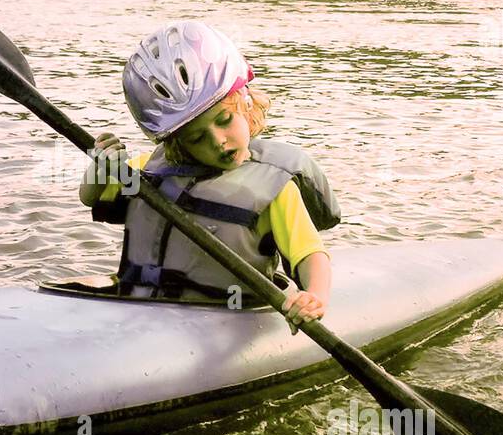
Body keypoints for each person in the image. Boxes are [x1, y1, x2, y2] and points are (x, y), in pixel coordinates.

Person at [78, 20, 340, 329]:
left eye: (225, 119)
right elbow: (90, 197)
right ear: (177, 144)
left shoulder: (273, 188)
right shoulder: (151, 169)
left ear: (247, 103)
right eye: (197, 139)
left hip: (226, 317)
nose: (218, 140)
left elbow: (309, 254)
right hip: (143, 310)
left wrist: (315, 296)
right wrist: (99, 167)